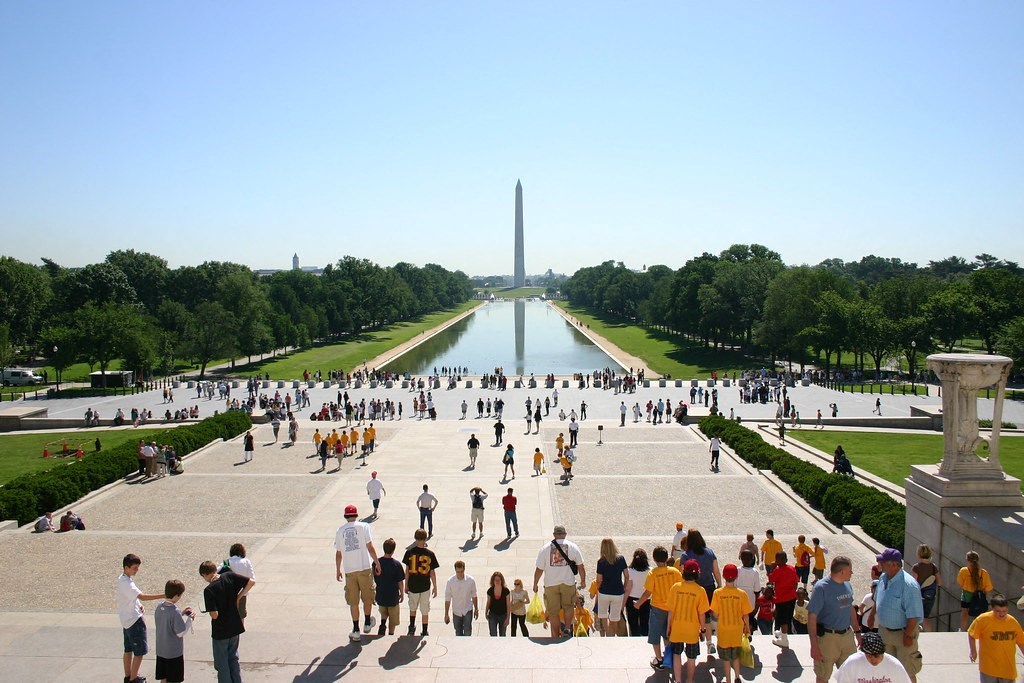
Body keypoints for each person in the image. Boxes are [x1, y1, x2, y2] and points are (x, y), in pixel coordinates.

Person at [806, 555, 860, 683]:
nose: (852, 573)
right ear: (842, 571)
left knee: (851, 675)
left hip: (847, 637)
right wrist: (814, 645)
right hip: (828, 639)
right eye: (850, 570)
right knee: (823, 675)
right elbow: (812, 617)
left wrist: (857, 632)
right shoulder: (821, 588)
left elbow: (850, 608)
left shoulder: (847, 585)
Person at [199, 559, 254, 683]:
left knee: (222, 663)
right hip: (235, 625)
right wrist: (239, 597)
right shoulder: (228, 576)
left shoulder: (209, 590)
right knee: (233, 658)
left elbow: (214, 615)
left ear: (206, 574)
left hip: (221, 631)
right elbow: (251, 582)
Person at [874, 547, 923, 682]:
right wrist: (873, 614)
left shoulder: (909, 585)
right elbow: (877, 598)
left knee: (907, 671)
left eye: (883, 562)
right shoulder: (884, 577)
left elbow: (914, 615)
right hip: (885, 632)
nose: (880, 564)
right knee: (887, 671)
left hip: (903, 634)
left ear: (894, 564)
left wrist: (908, 635)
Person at [334, 504, 381, 642]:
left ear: (345, 516)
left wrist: (338, 569)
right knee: (367, 597)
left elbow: (339, 553)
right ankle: (367, 622)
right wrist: (377, 562)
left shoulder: (340, 531)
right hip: (364, 567)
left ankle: (355, 629)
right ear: (356, 515)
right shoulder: (364, 526)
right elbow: (370, 546)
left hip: (349, 570)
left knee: (353, 601)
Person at [117, 554, 165, 683]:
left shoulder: (122, 579)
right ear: (126, 567)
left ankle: (128, 676)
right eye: (134, 568)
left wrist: (139, 605)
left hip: (126, 620)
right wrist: (164, 595)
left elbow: (132, 598)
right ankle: (134, 678)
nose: (136, 570)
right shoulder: (127, 583)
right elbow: (142, 596)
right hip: (134, 621)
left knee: (128, 649)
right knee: (139, 652)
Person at [533, 524, 586, 638]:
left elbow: (539, 569)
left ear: (554, 535)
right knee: (568, 606)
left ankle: (556, 634)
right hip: (568, 582)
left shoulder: (545, 548)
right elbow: (581, 567)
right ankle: (567, 628)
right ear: (565, 534)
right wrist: (583, 581)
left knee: (553, 612)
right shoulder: (573, 547)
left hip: (551, 583)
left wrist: (535, 583)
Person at [635, 546, 682, 670]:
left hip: (657, 608)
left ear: (654, 559)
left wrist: (638, 603)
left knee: (655, 634)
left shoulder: (653, 573)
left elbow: (647, 592)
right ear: (667, 558)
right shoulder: (675, 572)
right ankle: (668, 657)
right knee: (668, 634)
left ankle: (659, 659)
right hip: (672, 608)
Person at [666, 559, 710, 683]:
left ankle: (678, 680)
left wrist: (668, 626)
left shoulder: (675, 588)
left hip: (677, 627)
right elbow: (702, 613)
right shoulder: (700, 590)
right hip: (692, 630)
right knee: (691, 657)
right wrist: (702, 628)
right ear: (697, 574)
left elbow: (671, 611)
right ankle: (689, 680)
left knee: (676, 654)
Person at [967, 593, 1024, 682]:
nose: (1001, 614)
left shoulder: (1013, 622)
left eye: (1004, 611)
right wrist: (973, 651)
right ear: (992, 608)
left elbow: (1021, 642)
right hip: (989, 669)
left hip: (1008, 670)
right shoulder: (983, 619)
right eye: (998, 611)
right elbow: (971, 634)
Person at [710, 564, 752, 683]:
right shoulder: (741, 594)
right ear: (736, 576)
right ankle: (737, 677)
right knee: (736, 656)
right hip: (737, 629)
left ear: (723, 576)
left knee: (726, 658)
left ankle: (728, 679)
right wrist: (747, 628)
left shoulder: (718, 593)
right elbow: (746, 614)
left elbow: (715, 614)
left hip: (723, 630)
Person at [154, 580, 195, 683]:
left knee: (164, 677)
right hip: (173, 652)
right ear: (177, 595)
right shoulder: (174, 611)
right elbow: (181, 632)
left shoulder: (159, 607)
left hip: (161, 650)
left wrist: (181, 614)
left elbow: (167, 621)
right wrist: (190, 619)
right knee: (174, 679)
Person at [834, 632, 911, 683]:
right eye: (869, 656)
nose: (873, 659)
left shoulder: (894, 665)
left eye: (876, 656)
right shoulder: (851, 663)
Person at [402, 528, 439, 636]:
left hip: (413, 585)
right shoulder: (430, 554)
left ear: (415, 538)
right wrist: (435, 586)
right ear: (425, 539)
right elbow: (432, 572)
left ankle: (412, 627)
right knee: (425, 609)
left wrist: (406, 584)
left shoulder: (409, 553)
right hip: (425, 586)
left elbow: (407, 571)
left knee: (412, 607)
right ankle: (424, 630)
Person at [594, 537, 629, 637]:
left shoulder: (601, 561)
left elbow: (599, 579)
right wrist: (624, 587)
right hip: (618, 592)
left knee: (604, 616)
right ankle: (611, 636)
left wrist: (598, 588)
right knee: (614, 618)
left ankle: (608, 637)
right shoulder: (621, 559)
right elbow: (627, 575)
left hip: (604, 592)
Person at [373, 538, 406, 636]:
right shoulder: (396, 564)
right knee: (393, 617)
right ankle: (391, 633)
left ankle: (383, 624)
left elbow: (373, 576)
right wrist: (402, 593)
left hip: (380, 593)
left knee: (383, 611)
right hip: (393, 595)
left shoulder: (376, 563)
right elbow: (400, 582)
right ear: (393, 550)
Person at [958, 550, 994, 632]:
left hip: (966, 594)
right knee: (977, 613)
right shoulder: (983, 572)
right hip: (979, 595)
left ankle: (963, 629)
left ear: (967, 560)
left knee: (964, 612)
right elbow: (988, 587)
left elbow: (960, 582)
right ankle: (977, 629)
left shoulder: (964, 571)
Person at [769, 551, 799, 648]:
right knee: (787, 616)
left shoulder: (777, 571)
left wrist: (772, 568)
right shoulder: (791, 569)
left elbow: (771, 579)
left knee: (782, 619)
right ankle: (782, 633)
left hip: (781, 598)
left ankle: (784, 639)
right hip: (792, 597)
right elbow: (795, 582)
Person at [911, 544, 941, 631]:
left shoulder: (916, 567)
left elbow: (913, 584)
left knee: (916, 616)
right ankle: (929, 635)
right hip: (930, 595)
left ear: (919, 554)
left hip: (919, 596)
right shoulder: (933, 567)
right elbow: (940, 583)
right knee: (926, 617)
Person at [444, 561, 478, 636]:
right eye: (458, 572)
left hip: (467, 610)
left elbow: (474, 595)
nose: (460, 574)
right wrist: (446, 613)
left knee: (467, 631)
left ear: (464, 569)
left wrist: (476, 609)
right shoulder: (450, 581)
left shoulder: (470, 580)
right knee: (458, 632)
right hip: (456, 611)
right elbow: (447, 599)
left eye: (461, 571)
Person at [225, 543, 255, 621]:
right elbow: (252, 579)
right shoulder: (246, 562)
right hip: (242, 594)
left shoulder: (226, 562)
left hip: (228, 595)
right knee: (241, 617)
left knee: (229, 617)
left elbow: (217, 575)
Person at [625, 548, 651, 637]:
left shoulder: (630, 571)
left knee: (633, 624)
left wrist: (623, 602)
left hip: (631, 599)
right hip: (647, 599)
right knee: (646, 623)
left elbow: (628, 588)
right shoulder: (650, 571)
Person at [736, 550, 762, 634]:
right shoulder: (755, 573)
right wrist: (756, 607)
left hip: (738, 603)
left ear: (741, 559)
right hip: (750, 604)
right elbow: (757, 591)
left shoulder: (738, 570)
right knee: (749, 625)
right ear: (752, 559)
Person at [485, 571, 511, 636]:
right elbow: (488, 602)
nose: (497, 581)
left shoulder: (506, 591)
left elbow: (508, 605)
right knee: (493, 634)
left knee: (502, 634)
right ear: (493, 581)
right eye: (495, 580)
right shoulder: (490, 591)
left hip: (503, 615)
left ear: (501, 581)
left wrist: (508, 618)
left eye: (499, 580)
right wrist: (486, 613)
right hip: (493, 615)